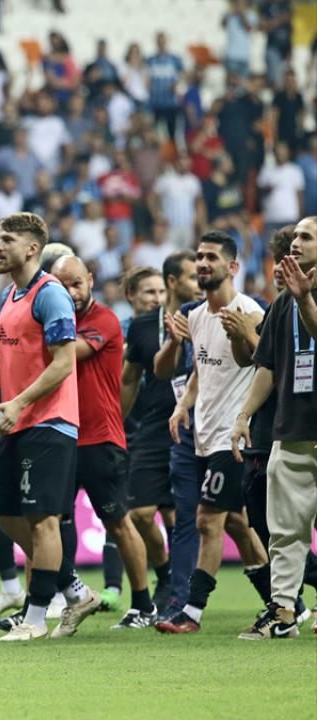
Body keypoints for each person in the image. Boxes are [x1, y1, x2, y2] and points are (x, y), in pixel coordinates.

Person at [0, 213, 98, 642]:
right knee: (5, 516)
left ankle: (35, 618)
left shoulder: (50, 294)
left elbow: (64, 362)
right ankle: (75, 590)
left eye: (7, 239)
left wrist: (19, 402)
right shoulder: (9, 295)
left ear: (32, 248)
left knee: (42, 521)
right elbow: (10, 359)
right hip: (17, 422)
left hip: (50, 421)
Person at [156, 232, 272, 634]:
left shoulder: (250, 311)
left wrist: (246, 335)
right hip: (204, 435)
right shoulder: (196, 315)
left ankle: (191, 612)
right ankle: (286, 604)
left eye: (211, 257)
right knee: (237, 524)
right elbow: (199, 371)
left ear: (232, 267)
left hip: (234, 437)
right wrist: (182, 405)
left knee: (207, 519)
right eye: (200, 257)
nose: (203, 263)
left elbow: (267, 366)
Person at [51, 256, 156, 629]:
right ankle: (58, 598)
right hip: (61, 436)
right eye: (62, 285)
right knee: (50, 523)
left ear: (91, 280)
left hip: (100, 438)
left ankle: (143, 605)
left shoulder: (104, 320)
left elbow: (70, 353)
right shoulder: (54, 321)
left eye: (76, 283)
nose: (71, 292)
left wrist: (24, 342)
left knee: (118, 523)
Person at [234, 216, 317, 638]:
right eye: (295, 236)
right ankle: (283, 612)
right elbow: (265, 364)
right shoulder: (284, 301)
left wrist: (305, 300)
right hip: (291, 429)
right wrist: (244, 414)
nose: (296, 242)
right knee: (284, 530)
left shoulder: (297, 298)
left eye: (307, 237)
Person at [121, 252, 202, 614]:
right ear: (173, 281)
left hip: (199, 422)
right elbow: (128, 379)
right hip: (154, 426)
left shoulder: (207, 316)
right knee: (139, 513)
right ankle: (167, 574)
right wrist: (117, 423)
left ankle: (280, 594)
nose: (199, 282)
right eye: (191, 277)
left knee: (222, 518)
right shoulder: (142, 326)